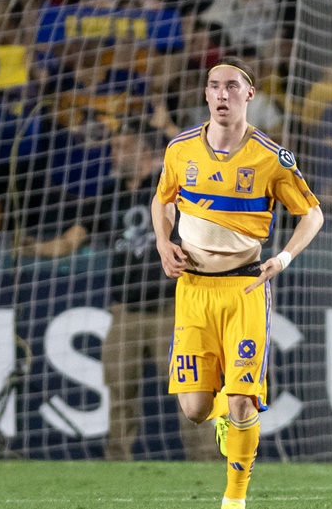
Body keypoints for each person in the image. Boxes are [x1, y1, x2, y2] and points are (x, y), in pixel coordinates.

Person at [153, 56, 325, 509]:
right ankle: (228, 423)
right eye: (214, 85)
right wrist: (162, 240)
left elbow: (312, 214)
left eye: (232, 86)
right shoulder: (181, 149)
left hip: (245, 289)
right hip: (192, 289)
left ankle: (235, 498)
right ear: (205, 94)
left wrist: (283, 256)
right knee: (193, 409)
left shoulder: (271, 157)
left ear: (250, 95)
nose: (222, 94)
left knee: (243, 399)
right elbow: (162, 199)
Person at [20, 121, 219, 462]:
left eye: (123, 147)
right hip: (124, 312)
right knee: (119, 391)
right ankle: (117, 464)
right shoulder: (109, 194)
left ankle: (207, 461)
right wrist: (32, 248)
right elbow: (71, 241)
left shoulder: (174, 187)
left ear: (146, 151)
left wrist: (165, 126)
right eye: (114, 147)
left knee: (191, 389)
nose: (114, 154)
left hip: (172, 310)